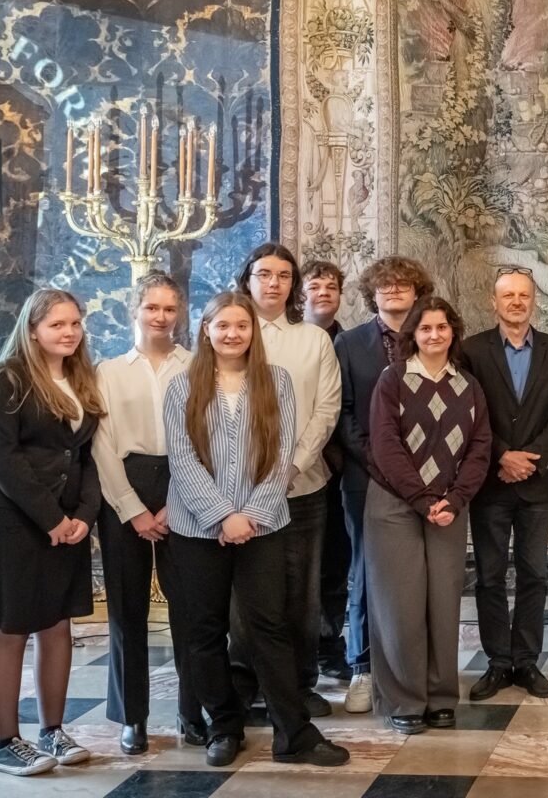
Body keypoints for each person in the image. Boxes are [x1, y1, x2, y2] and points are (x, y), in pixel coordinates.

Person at [164, 292, 349, 768]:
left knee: (269, 625)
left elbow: (282, 453)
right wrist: (222, 515)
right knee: (205, 629)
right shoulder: (182, 386)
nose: (232, 334)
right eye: (222, 325)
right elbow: (182, 459)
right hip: (196, 528)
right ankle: (224, 726)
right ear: (206, 330)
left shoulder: (276, 381)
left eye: (241, 326)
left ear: (253, 332)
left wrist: (249, 514)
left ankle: (294, 735)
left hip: (262, 524)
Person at [0, 288, 104, 776]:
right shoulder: (5, 380)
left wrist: (83, 516)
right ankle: (4, 742)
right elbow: (5, 461)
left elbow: (85, 456)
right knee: (11, 631)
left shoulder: (81, 378)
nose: (69, 332)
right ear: (32, 330)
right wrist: (52, 520)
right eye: (57, 325)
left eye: (75, 323)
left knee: (57, 626)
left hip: (66, 523)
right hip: (13, 522)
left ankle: (53, 730)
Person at [366, 297, 492, 734]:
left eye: (442, 327)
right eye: (425, 328)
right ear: (413, 335)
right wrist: (422, 499)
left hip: (448, 508)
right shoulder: (393, 380)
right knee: (399, 605)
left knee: (443, 602)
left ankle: (440, 697)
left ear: (453, 331)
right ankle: (404, 699)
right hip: (394, 504)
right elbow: (385, 445)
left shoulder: (468, 386)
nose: (434, 335)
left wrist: (454, 500)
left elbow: (480, 447)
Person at [93, 272, 204, 754]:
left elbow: (205, 437)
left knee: (191, 610)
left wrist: (178, 502)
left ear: (180, 314)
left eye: (169, 309)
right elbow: (101, 445)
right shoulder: (107, 371)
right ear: (134, 310)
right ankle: (131, 717)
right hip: (124, 484)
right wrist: (132, 509)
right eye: (152, 307)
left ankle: (192, 711)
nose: (161, 317)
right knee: (127, 609)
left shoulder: (197, 366)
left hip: (186, 483)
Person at [230, 245, 341, 717]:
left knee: (301, 590)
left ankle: (298, 683)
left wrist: (293, 466)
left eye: (283, 275)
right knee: (245, 592)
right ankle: (243, 681)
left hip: (303, 485)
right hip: (239, 489)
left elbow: (327, 409)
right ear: (248, 280)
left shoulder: (313, 340)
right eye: (264, 274)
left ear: (294, 284)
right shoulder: (230, 333)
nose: (273, 283)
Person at [460, 268, 548, 700]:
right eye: (507, 295)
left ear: (534, 301)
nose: (516, 302)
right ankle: (497, 663)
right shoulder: (471, 351)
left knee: (534, 575)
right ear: (493, 302)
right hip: (490, 483)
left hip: (536, 484)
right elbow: (468, 412)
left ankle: (526, 662)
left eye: (523, 295)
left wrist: (534, 458)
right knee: (489, 577)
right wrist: (502, 455)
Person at [333, 256, 434, 713]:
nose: (393, 290)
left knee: (418, 573)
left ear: (418, 291)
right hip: (367, 475)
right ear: (371, 293)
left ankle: (415, 666)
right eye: (384, 284)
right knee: (365, 571)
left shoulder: (432, 337)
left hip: (428, 477)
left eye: (403, 283)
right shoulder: (349, 344)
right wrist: (380, 462)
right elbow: (343, 412)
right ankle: (363, 667)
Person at [301, 258, 353, 684]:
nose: (323, 293)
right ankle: (298, 651)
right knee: (300, 568)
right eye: (315, 287)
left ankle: (329, 646)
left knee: (335, 564)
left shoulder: (351, 343)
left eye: (331, 287)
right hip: (294, 471)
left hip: (339, 471)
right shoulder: (289, 341)